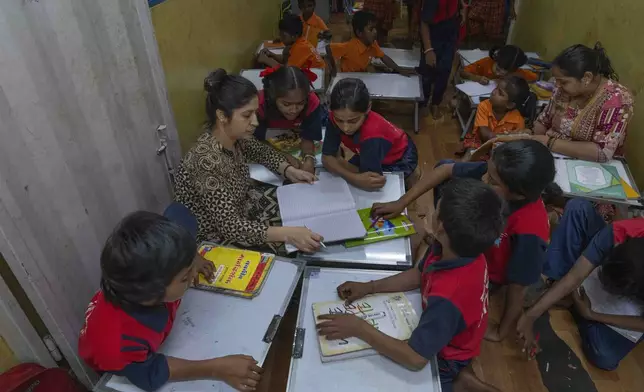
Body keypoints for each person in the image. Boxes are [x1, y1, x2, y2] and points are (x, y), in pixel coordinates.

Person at [318, 178, 505, 392]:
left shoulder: (448, 297)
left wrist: (359, 327)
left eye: (435, 210)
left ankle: (458, 377)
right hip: (451, 331)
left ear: (441, 228)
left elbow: (415, 358)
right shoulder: (462, 251)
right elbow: (419, 274)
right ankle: (464, 379)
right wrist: (369, 287)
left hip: (447, 353)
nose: (427, 214)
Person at [373, 140, 555, 343]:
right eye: (487, 172)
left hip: (487, 274)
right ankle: (449, 237)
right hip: (470, 248)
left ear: (519, 194)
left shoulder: (530, 230)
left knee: (443, 295)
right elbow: (445, 170)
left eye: (492, 181)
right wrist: (402, 202)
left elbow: (518, 287)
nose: (484, 179)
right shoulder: (495, 174)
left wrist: (500, 331)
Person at [78, 211, 264, 392]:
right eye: (185, 277)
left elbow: (178, 212)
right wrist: (217, 368)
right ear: (151, 294)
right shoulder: (120, 344)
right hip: (123, 366)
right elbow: (152, 372)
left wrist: (191, 258)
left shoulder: (156, 267)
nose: (193, 276)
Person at [174, 69, 323, 255]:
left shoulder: (235, 137)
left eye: (254, 114)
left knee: (305, 209)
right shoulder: (205, 161)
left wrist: (289, 171)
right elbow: (231, 226)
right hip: (218, 236)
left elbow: (259, 150)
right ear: (222, 116)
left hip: (245, 205)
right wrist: (288, 234)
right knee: (300, 247)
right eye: (247, 115)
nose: (254, 122)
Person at [518, 199, 644, 370]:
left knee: (604, 356)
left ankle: (574, 302)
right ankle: (564, 291)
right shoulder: (622, 232)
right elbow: (575, 275)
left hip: (628, 304)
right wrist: (530, 316)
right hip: (624, 267)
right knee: (578, 208)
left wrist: (592, 314)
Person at [530, 43, 633, 163]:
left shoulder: (617, 98)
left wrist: (549, 142)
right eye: (556, 80)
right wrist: (532, 142)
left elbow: (602, 152)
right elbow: (543, 122)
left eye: (563, 82)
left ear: (587, 78)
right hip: (552, 155)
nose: (557, 86)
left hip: (592, 166)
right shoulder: (562, 90)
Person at [321, 78, 419, 190]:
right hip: (369, 149)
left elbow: (371, 179)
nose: (345, 128)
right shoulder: (333, 118)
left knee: (388, 190)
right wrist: (354, 177)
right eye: (339, 120)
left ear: (368, 108)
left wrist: (340, 164)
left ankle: (411, 176)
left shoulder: (372, 135)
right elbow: (326, 158)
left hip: (401, 157)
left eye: (353, 121)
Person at [254, 65, 325, 174]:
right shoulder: (259, 104)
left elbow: (309, 136)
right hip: (267, 141)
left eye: (300, 103)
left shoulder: (312, 102)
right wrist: (282, 156)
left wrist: (309, 158)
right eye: (286, 104)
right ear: (273, 97)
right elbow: (256, 140)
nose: (293, 110)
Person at [460, 76, 536, 156]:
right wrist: (506, 137)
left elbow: (516, 142)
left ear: (509, 105)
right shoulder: (484, 106)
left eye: (500, 93)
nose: (493, 92)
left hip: (501, 148)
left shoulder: (518, 120)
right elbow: (484, 135)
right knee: (470, 153)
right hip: (480, 142)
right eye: (496, 88)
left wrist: (505, 139)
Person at [328, 10, 416, 75]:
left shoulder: (373, 44)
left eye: (375, 28)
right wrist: (334, 73)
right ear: (359, 33)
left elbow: (384, 57)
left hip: (362, 77)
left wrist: (399, 69)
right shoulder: (349, 46)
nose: (375, 32)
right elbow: (328, 48)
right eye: (370, 29)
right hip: (349, 81)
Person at [419, 0, 461, 119]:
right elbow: (424, 23)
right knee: (428, 72)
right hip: (434, 36)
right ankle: (423, 103)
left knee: (445, 71)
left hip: (449, 36)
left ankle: (436, 103)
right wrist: (428, 50)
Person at [258, 13, 326, 69]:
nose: (281, 38)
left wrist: (267, 60)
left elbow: (287, 72)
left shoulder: (300, 48)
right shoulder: (298, 42)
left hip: (318, 79)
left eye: (283, 36)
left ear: (294, 37)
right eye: (280, 34)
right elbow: (286, 61)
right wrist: (272, 55)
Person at [460, 45, 537, 84]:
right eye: (497, 69)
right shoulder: (486, 62)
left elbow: (535, 78)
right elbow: (463, 72)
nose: (498, 73)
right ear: (495, 59)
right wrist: (476, 78)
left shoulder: (515, 71)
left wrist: (512, 79)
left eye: (504, 73)